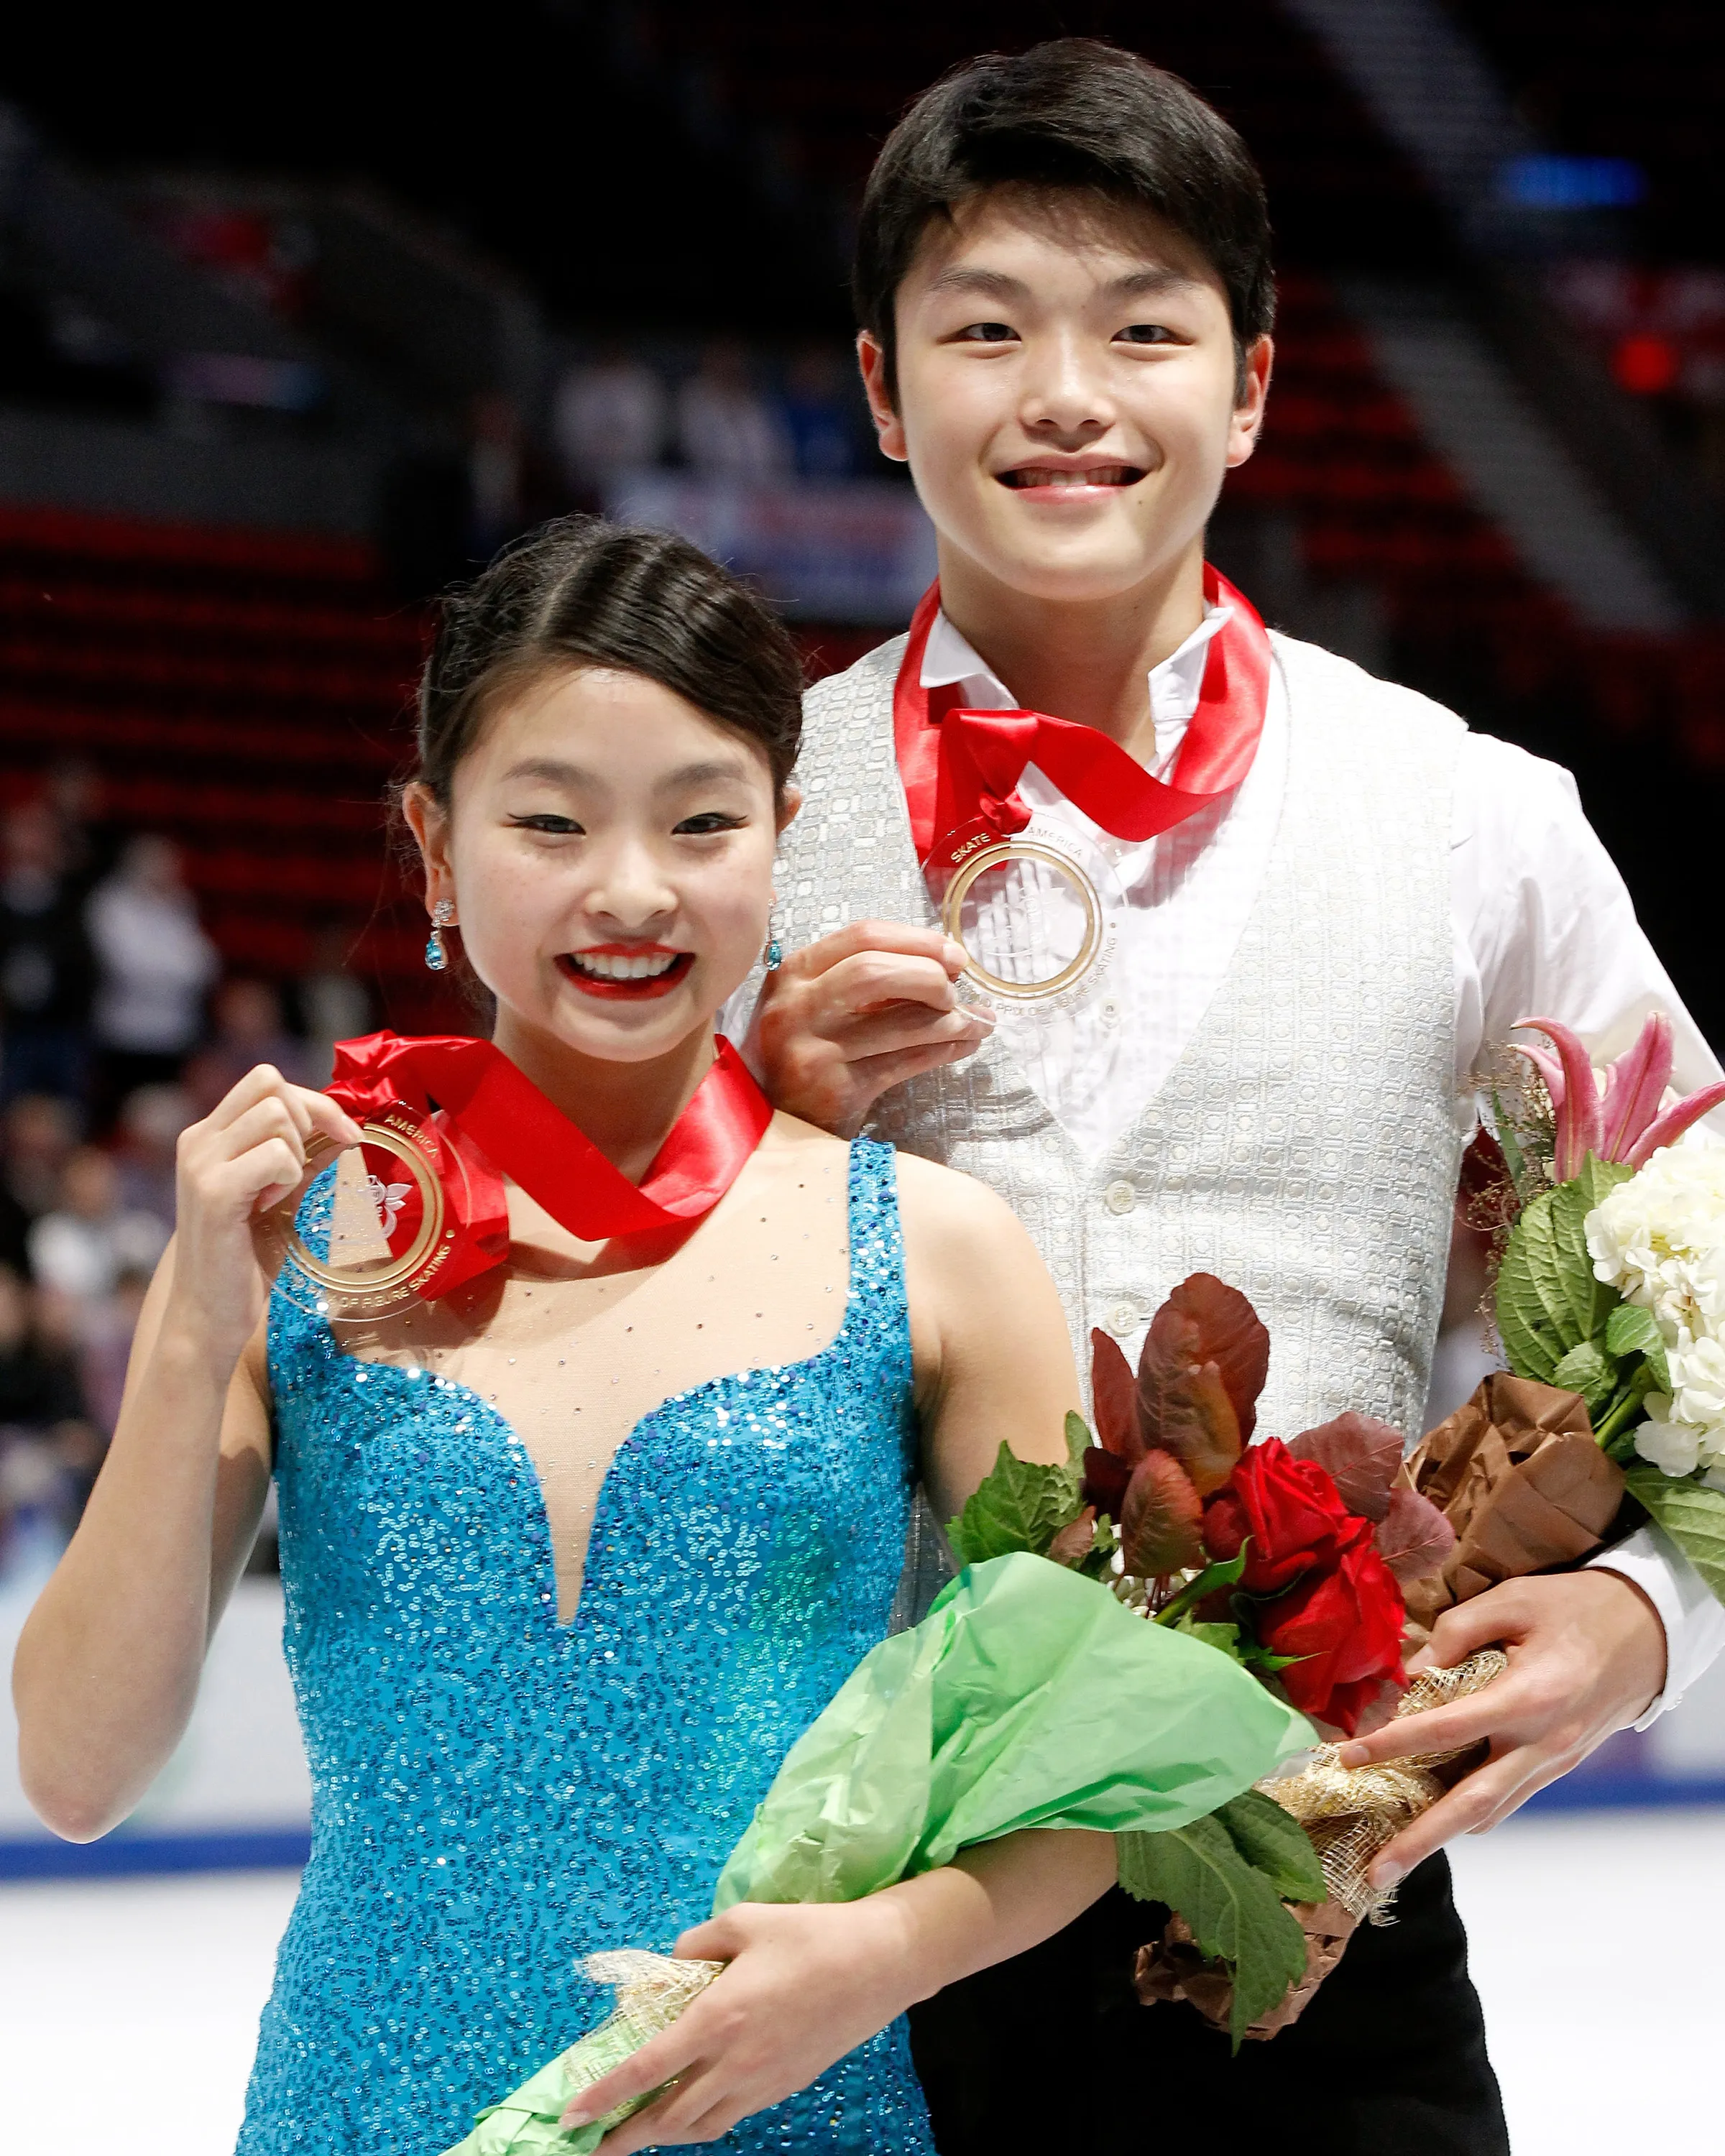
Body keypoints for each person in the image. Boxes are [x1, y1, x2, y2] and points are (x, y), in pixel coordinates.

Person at [743, 40, 1725, 2155]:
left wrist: (1649, 1623)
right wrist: (748, 1140)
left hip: (1323, 1921)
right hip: (834, 1940)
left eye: (1142, 327)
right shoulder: (726, 826)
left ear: (1253, 386)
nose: (1064, 390)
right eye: (985, 327)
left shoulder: (1473, 818)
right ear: (883, 388)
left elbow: (1700, 1269)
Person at [14, 519, 1123, 2156]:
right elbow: (78, 1772)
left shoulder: (940, 1254)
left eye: (699, 822)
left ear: (778, 837)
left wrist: (884, 1951)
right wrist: (195, 1336)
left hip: (791, 2113)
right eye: (548, 819)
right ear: (435, 846)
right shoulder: (285, 1243)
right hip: (360, 2110)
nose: (628, 889)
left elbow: (1088, 1772)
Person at [85, 834, 219, 1125]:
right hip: (124, 1033)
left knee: (167, 1117)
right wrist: (171, 971)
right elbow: (127, 966)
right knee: (123, 1119)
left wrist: (162, 969)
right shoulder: (113, 903)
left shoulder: (181, 903)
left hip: (175, 1034)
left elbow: (203, 966)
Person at [0, 798, 96, 1107]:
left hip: (62, 1029)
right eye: (22, 832)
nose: (30, 842)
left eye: (38, 833)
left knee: (67, 1110)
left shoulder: (74, 898)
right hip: (11, 1029)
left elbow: (86, 965)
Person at [552, 344, 670, 499]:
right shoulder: (577, 384)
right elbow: (566, 438)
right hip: (584, 480)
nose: (611, 353)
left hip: (636, 478)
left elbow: (655, 438)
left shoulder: (644, 384)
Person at [676, 338, 793, 479]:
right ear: (708, 359)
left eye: (734, 357)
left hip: (759, 487)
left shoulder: (755, 401)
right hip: (710, 485)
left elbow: (777, 451)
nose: (729, 363)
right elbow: (696, 449)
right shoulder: (693, 397)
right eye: (723, 356)